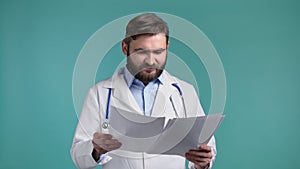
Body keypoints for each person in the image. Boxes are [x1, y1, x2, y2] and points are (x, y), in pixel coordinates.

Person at [71, 13, 217, 169]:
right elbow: (78, 155)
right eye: (141, 52)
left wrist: (203, 162)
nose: (151, 61)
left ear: (167, 47)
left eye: (158, 52)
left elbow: (207, 148)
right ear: (125, 48)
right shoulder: (100, 94)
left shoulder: (185, 92)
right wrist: (95, 149)